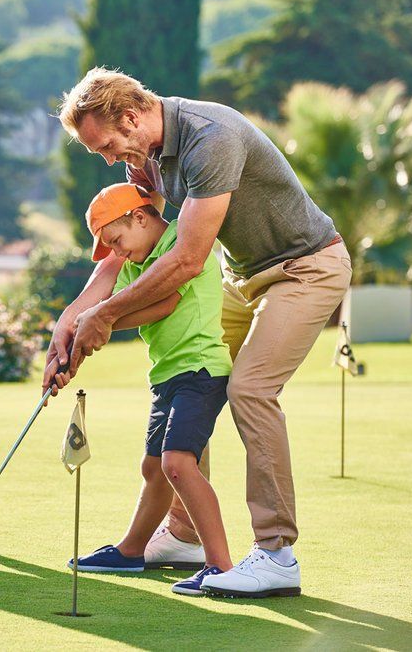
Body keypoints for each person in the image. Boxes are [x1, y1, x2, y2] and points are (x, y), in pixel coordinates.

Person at [46, 68, 352, 597]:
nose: (111, 159)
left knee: (250, 389)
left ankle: (276, 554)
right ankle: (185, 535)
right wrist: (73, 317)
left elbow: (186, 260)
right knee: (194, 371)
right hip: (246, 275)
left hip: (307, 267)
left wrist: (107, 317)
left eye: (109, 146)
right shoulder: (147, 156)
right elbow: (127, 247)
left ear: (133, 116)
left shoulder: (211, 138)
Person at [59, 183, 234, 596]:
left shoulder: (179, 243)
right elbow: (116, 308)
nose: (119, 252)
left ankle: (221, 566)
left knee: (177, 463)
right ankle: (132, 550)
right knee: (154, 468)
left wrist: (98, 323)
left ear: (139, 217)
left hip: (201, 369)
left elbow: (165, 302)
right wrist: (82, 332)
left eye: (117, 240)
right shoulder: (136, 263)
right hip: (167, 375)